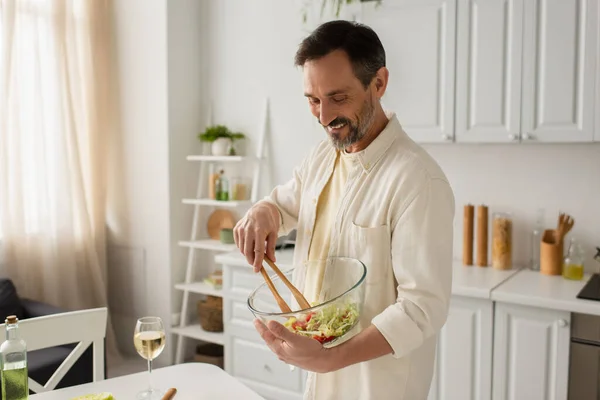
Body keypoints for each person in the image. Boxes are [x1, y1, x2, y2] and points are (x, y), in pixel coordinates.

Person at [233, 20, 455, 400]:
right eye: (313, 100)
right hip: (320, 383)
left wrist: (329, 359)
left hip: (378, 387)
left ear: (379, 83)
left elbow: (423, 308)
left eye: (338, 98)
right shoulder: (322, 157)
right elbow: (284, 204)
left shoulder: (417, 179)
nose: (323, 117)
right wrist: (262, 212)